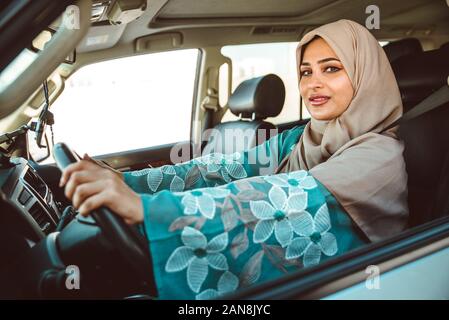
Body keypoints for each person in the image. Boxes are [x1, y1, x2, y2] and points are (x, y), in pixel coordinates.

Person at [59, 19, 408, 299]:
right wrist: (129, 182)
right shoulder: (303, 138)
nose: (313, 84)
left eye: (331, 69)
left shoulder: (379, 158)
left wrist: (149, 210)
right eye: (306, 71)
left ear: (364, 75)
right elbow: (224, 169)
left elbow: (280, 202)